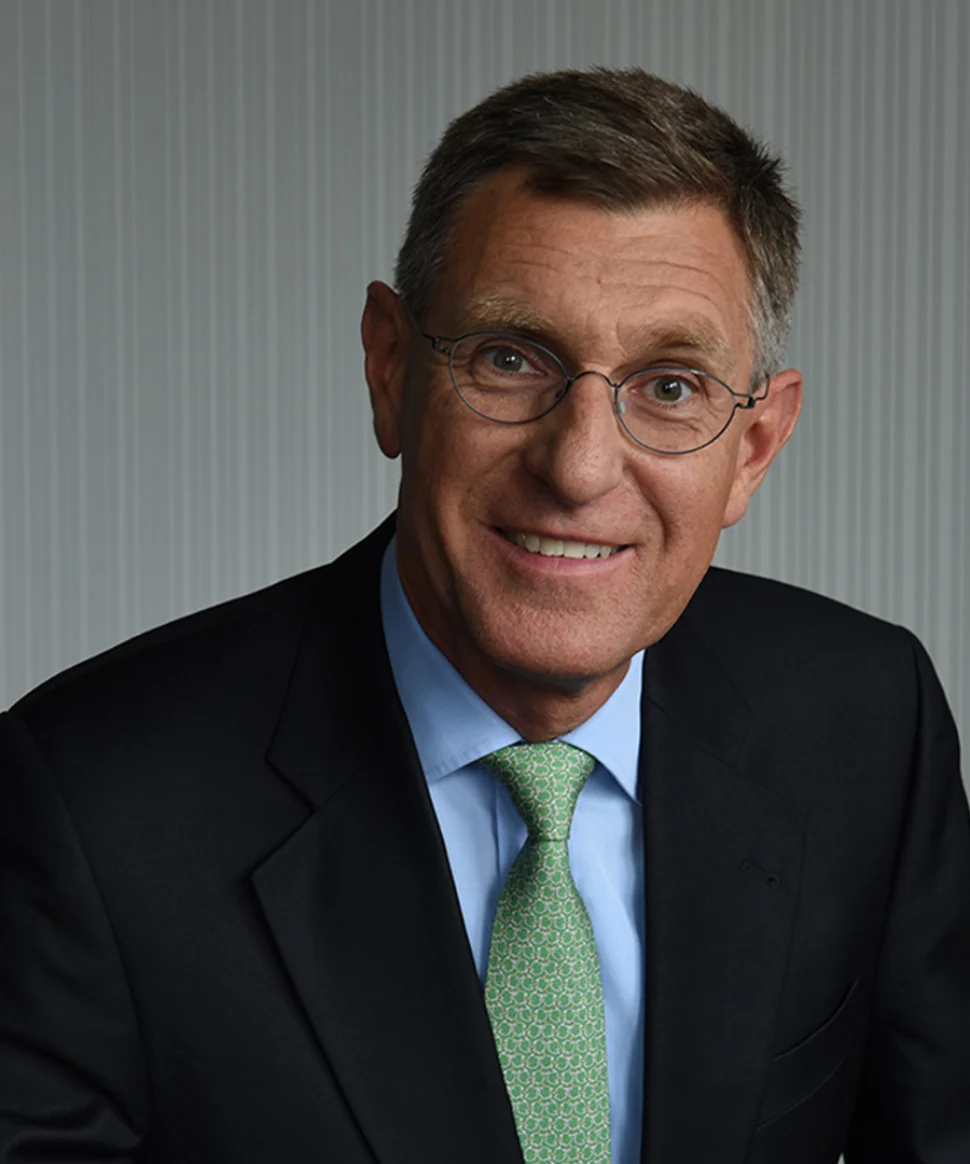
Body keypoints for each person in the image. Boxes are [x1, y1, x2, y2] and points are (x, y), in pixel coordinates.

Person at [1, 67, 967, 1164]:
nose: (579, 467)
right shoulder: (94, 806)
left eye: (670, 385)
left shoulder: (865, 724)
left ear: (754, 447)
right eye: (511, 359)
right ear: (389, 367)